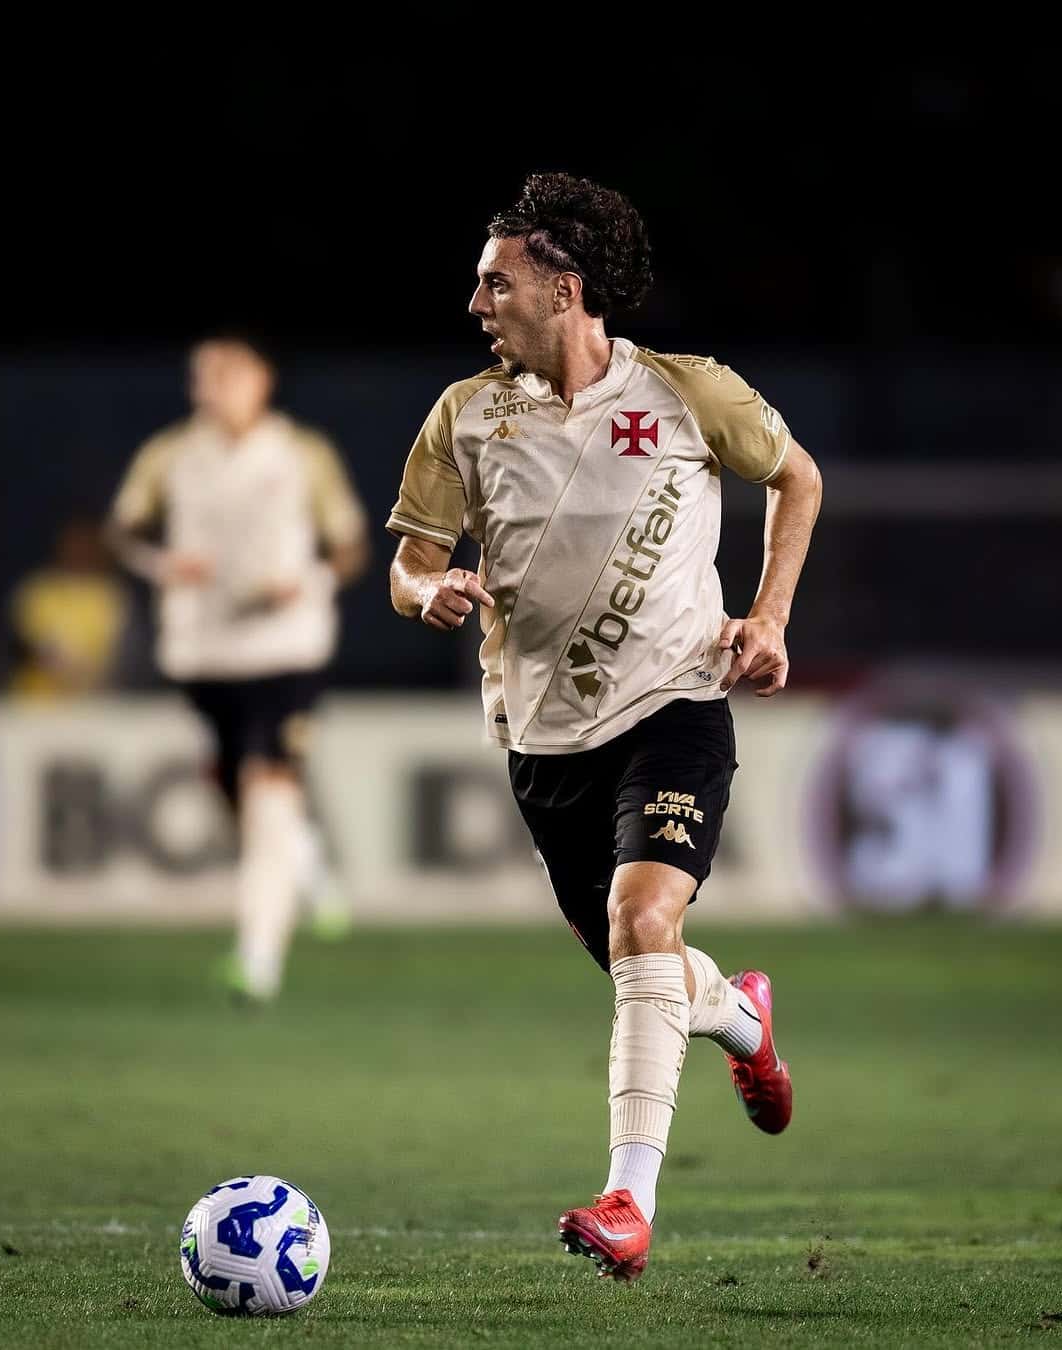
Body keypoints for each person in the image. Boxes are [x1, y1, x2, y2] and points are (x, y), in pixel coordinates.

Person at [388, 173, 822, 1281]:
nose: (476, 301)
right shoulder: (465, 417)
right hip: (542, 742)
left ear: (563, 288)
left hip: (676, 707)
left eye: (497, 281)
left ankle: (629, 1200)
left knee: (642, 922)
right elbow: (410, 561)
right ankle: (739, 1017)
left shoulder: (687, 394)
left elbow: (798, 478)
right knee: (649, 962)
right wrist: (421, 591)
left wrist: (767, 618)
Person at [106, 332, 370, 1000]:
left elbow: (349, 547)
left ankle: (258, 959)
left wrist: (305, 579)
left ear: (262, 379)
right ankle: (304, 859)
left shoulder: (300, 453)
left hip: (286, 647)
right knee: (237, 790)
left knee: (269, 786)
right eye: (205, 376)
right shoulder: (170, 455)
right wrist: (163, 564)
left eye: (229, 373)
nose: (215, 387)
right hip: (202, 649)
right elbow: (124, 530)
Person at [7, 515, 130, 699]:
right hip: (33, 702)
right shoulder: (36, 590)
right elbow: (19, 644)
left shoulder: (112, 595)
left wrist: (89, 671)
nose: (79, 549)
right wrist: (48, 657)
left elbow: (123, 655)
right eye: (74, 543)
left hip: (93, 702)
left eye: (86, 543)